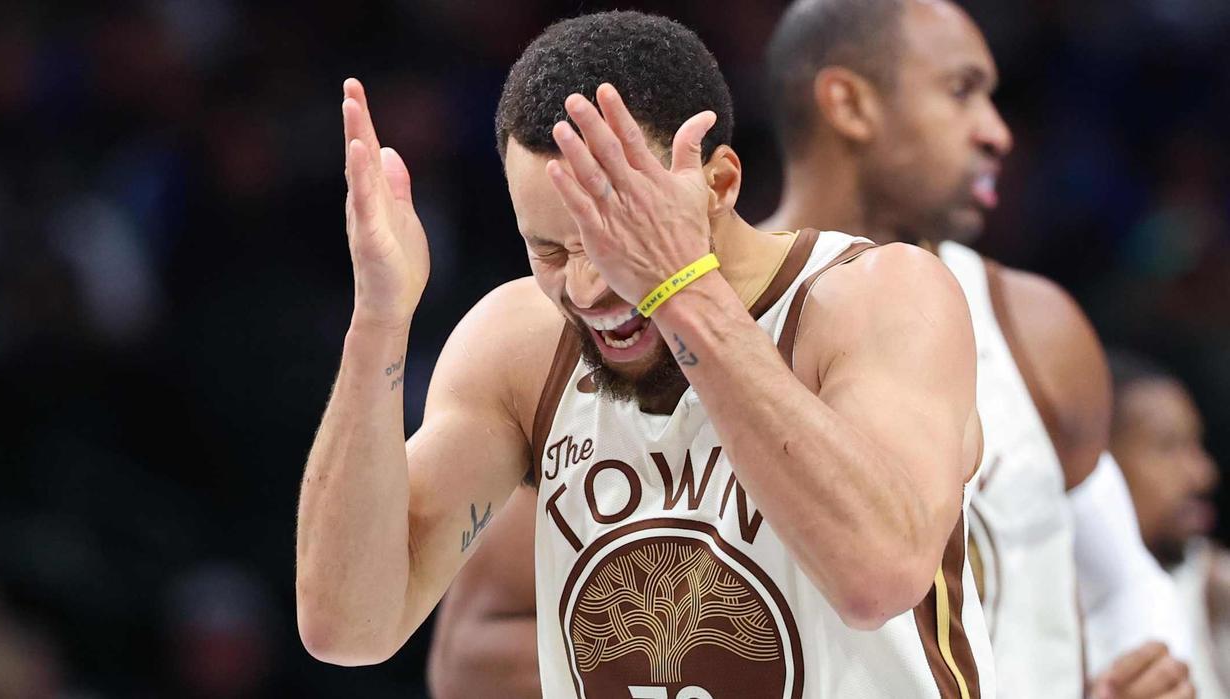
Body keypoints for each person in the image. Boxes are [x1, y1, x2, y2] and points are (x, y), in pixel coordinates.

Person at [428, 1, 1195, 698]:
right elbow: (470, 648)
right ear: (848, 103)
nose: (996, 130)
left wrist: (1143, 662)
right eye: (960, 91)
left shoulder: (1033, 326)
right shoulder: (631, 339)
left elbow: (1122, 578)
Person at [297, 10, 994, 698]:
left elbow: (878, 580)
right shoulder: (519, 345)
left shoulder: (877, 298)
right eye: (550, 250)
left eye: (615, 239)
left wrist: (679, 286)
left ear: (718, 185)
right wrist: (379, 321)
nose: (585, 286)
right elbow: (348, 628)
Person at [1110, 351, 1230, 698]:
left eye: (1196, 445)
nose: (1202, 475)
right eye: (1168, 447)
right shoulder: (1045, 603)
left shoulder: (1216, 589)